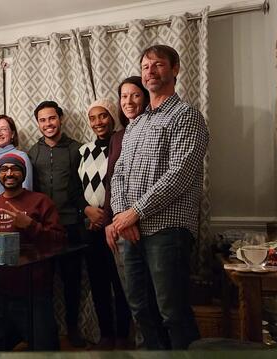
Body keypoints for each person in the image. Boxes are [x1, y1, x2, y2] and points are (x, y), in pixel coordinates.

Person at [108, 45, 208, 350]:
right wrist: (121, 216)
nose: (150, 71)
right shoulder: (135, 124)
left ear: (175, 69)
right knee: (140, 310)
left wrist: (134, 212)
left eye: (158, 64)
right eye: (145, 66)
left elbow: (180, 173)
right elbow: (118, 175)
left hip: (168, 231)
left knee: (172, 313)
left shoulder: (187, 115)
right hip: (130, 232)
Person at [0, 153, 66, 351]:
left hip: (35, 293)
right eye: (4, 169)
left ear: (23, 173)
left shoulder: (41, 201)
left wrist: (30, 225)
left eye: (15, 169)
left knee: (45, 351)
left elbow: (60, 241)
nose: (9, 173)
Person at [27, 100, 88, 347]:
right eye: (42, 120)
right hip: (43, 229)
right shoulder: (33, 152)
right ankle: (46, 331)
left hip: (72, 226)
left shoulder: (77, 149)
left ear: (60, 119)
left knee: (72, 282)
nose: (48, 124)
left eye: (51, 118)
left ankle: (73, 329)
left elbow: (84, 188)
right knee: (43, 283)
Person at [78, 99, 133, 349]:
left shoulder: (123, 144)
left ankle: (122, 335)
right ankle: (105, 334)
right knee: (98, 283)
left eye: (103, 116)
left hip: (117, 225)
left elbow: (122, 183)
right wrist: (88, 211)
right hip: (91, 228)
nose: (98, 122)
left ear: (112, 117)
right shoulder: (84, 151)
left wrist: (107, 217)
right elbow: (76, 188)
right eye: (92, 118)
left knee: (120, 283)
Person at [104, 76, 149, 348]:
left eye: (135, 95)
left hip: (151, 224)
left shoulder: (152, 128)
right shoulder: (119, 136)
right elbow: (114, 180)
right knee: (135, 299)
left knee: (156, 301)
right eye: (124, 96)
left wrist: (133, 215)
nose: (129, 102)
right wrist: (112, 221)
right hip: (120, 226)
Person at [0, 115, 33, 226]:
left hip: (10, 221)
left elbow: (26, 194)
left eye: (3, 129)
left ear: (12, 134)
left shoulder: (21, 157)